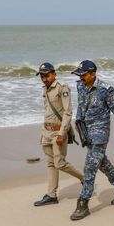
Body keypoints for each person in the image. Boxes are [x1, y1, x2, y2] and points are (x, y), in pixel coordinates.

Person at [69, 60, 114, 221]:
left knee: (90, 167)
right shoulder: (80, 86)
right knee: (102, 162)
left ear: (93, 74)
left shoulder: (106, 90)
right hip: (86, 133)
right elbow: (81, 107)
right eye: (80, 75)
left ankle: (83, 203)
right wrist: (77, 126)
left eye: (83, 75)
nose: (81, 77)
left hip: (100, 134)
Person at [33, 62, 84, 207]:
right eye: (42, 76)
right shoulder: (45, 89)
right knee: (50, 164)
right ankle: (51, 195)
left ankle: (84, 179)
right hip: (47, 131)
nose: (44, 79)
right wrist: (43, 133)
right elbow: (47, 111)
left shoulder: (62, 87)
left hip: (58, 132)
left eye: (47, 75)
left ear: (54, 74)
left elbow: (68, 112)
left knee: (60, 163)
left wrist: (62, 133)